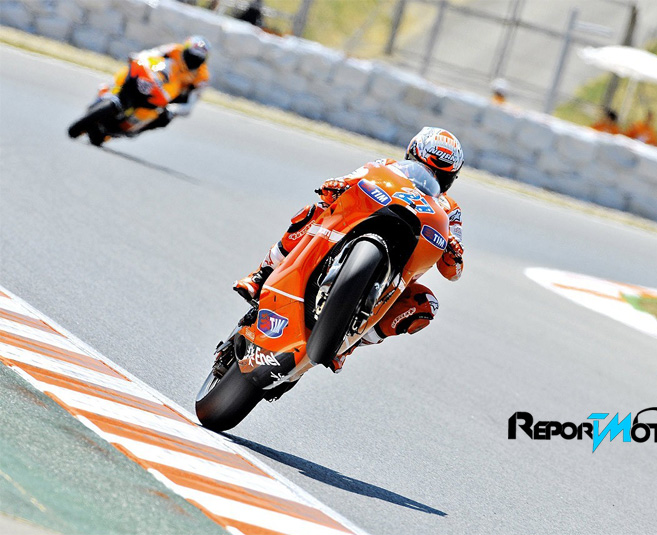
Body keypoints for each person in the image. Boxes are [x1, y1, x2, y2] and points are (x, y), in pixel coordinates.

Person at [234, 127, 465, 373]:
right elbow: (348, 180)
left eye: (441, 176)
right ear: (411, 157)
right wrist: (336, 186)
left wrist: (454, 253)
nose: (430, 177)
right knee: (315, 210)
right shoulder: (385, 167)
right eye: (424, 168)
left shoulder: (450, 210)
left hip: (401, 270)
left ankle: (348, 345)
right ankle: (262, 274)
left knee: (426, 304)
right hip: (356, 229)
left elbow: (453, 272)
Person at [133, 36, 211, 133]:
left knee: (166, 118)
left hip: (170, 97)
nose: (192, 61)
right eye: (190, 55)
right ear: (185, 50)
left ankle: (138, 130)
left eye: (197, 59)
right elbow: (152, 53)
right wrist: (139, 57)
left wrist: (173, 109)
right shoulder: (174, 49)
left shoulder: (202, 77)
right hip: (154, 79)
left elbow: (190, 105)